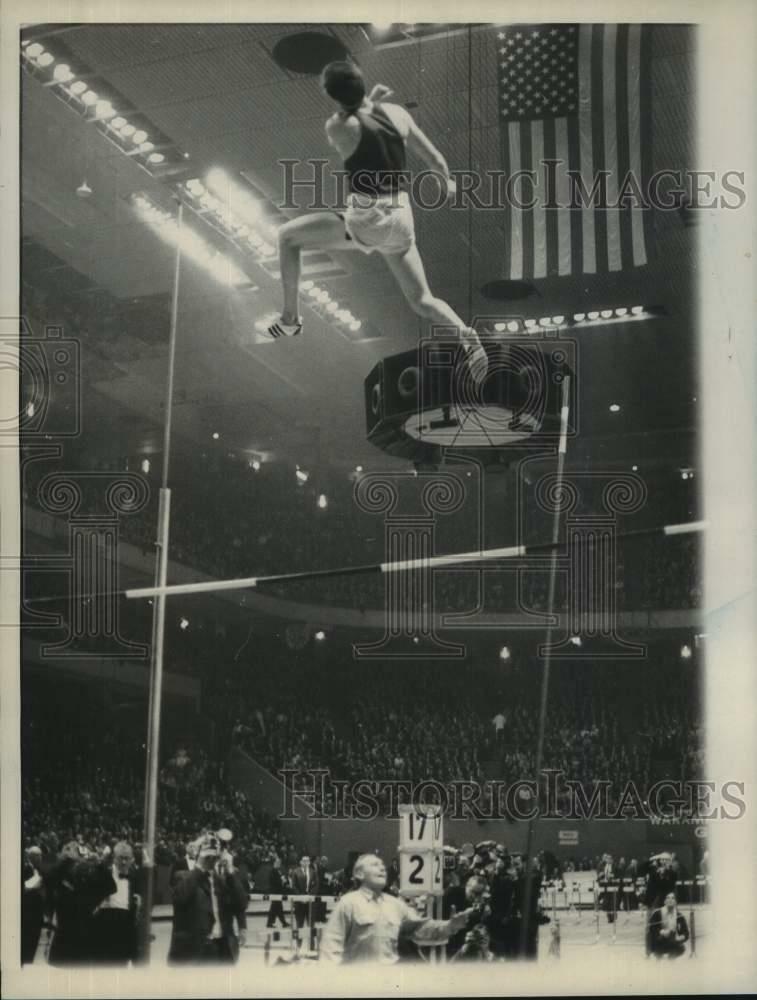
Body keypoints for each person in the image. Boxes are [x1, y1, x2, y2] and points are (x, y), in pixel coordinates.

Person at [259, 59, 488, 380]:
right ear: (363, 84)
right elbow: (435, 159)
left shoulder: (338, 128)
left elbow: (353, 120)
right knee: (422, 299)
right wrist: (447, 182)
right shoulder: (399, 114)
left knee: (287, 236)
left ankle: (290, 319)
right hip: (402, 221)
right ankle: (466, 334)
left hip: (369, 220)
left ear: (332, 96)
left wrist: (366, 104)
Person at [320, 853, 473, 964]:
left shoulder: (395, 905)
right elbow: (331, 947)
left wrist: (451, 926)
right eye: (375, 865)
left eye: (382, 866)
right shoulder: (348, 903)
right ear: (359, 874)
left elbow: (422, 928)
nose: (382, 869)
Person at [167, 833, 249, 965]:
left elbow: (242, 904)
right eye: (207, 855)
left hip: (223, 949)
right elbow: (179, 898)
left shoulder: (224, 880)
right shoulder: (182, 877)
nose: (211, 859)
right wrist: (199, 866)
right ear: (197, 854)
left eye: (214, 856)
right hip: (197, 951)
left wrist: (230, 872)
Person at [90, 841, 141, 965]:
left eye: (127, 858)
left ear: (132, 860)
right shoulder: (104, 873)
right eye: (120, 858)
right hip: (105, 925)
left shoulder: (135, 876)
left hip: (125, 926)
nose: (123, 862)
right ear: (114, 858)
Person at [648, 892, 690, 958]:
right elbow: (651, 928)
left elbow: (686, 932)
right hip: (659, 943)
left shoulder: (679, 916)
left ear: (675, 902)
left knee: (679, 950)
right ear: (664, 901)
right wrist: (661, 932)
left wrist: (681, 937)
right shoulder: (657, 913)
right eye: (668, 898)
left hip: (673, 942)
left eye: (673, 898)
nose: (670, 900)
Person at [290, 854, 319, 930]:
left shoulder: (313, 872)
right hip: (299, 901)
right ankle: (299, 942)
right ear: (300, 862)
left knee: (311, 924)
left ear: (309, 862)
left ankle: (312, 941)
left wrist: (310, 896)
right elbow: (294, 886)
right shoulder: (295, 872)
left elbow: (316, 885)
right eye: (304, 861)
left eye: (307, 861)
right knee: (300, 924)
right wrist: (301, 897)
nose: (306, 862)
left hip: (310, 901)